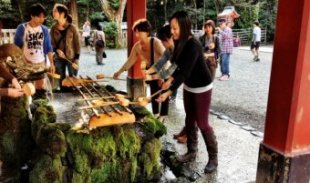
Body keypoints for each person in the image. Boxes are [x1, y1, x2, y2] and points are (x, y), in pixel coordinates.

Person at [156, 11, 218, 173]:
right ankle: (192, 151)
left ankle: (213, 158)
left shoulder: (193, 45)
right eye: (172, 28)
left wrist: (168, 92)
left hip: (202, 87)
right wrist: (168, 80)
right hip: (189, 86)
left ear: (184, 27)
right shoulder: (178, 42)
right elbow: (177, 67)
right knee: (190, 119)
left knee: (202, 123)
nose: (172, 32)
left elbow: (184, 73)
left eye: (175, 28)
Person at [113, 19, 165, 118]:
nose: (137, 34)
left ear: (147, 32)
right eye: (136, 32)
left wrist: (162, 76)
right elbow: (130, 61)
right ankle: (156, 114)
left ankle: (163, 115)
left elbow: (166, 58)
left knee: (163, 92)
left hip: (162, 68)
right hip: (151, 70)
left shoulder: (156, 42)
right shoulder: (137, 46)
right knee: (154, 92)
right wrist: (118, 72)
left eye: (139, 32)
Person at [14, 3, 55, 92]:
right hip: (26, 64)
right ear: (32, 15)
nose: (42, 19)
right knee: (27, 89)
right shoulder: (22, 28)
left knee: (40, 88)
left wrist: (51, 63)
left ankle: (39, 103)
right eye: (39, 17)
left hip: (40, 63)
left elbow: (48, 47)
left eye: (44, 17)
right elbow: (16, 47)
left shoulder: (44, 29)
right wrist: (22, 60)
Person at [144, 24, 175, 122]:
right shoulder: (169, 49)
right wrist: (148, 71)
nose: (162, 43)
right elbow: (160, 63)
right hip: (171, 76)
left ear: (169, 38)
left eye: (162, 41)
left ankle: (163, 115)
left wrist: (153, 77)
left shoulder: (179, 49)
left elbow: (171, 70)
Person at [50, 3, 81, 91]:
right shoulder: (53, 28)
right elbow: (51, 44)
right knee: (61, 79)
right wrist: (57, 51)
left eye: (55, 11)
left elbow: (77, 44)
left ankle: (72, 96)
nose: (53, 13)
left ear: (62, 14)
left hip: (71, 58)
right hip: (59, 57)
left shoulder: (72, 28)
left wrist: (76, 59)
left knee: (72, 79)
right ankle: (63, 93)